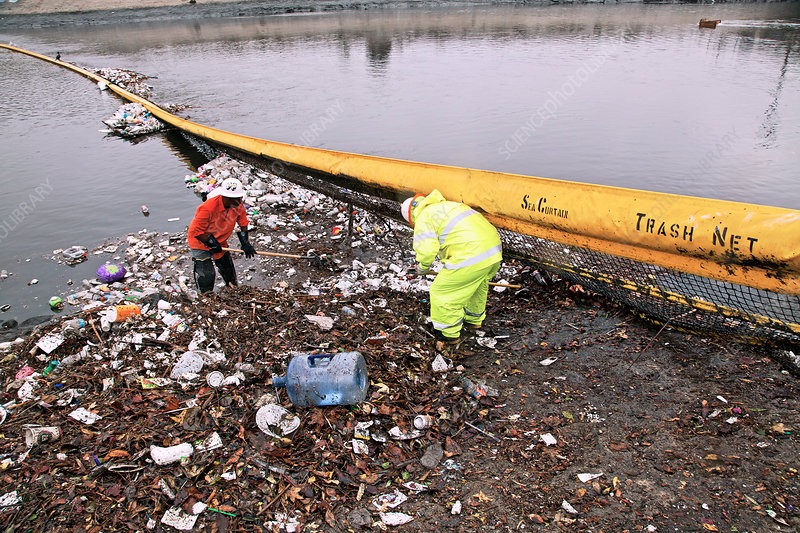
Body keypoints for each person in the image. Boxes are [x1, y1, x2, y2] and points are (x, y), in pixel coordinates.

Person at [400, 189, 503, 351]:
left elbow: (427, 250)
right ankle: (473, 321)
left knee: (442, 293)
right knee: (475, 286)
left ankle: (448, 336)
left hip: (471, 257)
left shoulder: (423, 217)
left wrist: (421, 268)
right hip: (493, 252)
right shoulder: (447, 206)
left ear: (411, 217)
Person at [187, 177, 256, 294]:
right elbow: (196, 231)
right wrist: (211, 244)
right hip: (201, 242)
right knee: (207, 274)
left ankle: (232, 290)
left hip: (221, 240)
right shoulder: (208, 208)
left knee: (227, 268)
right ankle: (205, 296)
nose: (239, 202)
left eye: (239, 198)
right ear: (225, 197)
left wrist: (245, 243)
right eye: (235, 199)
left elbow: (243, 223)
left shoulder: (237, 206)